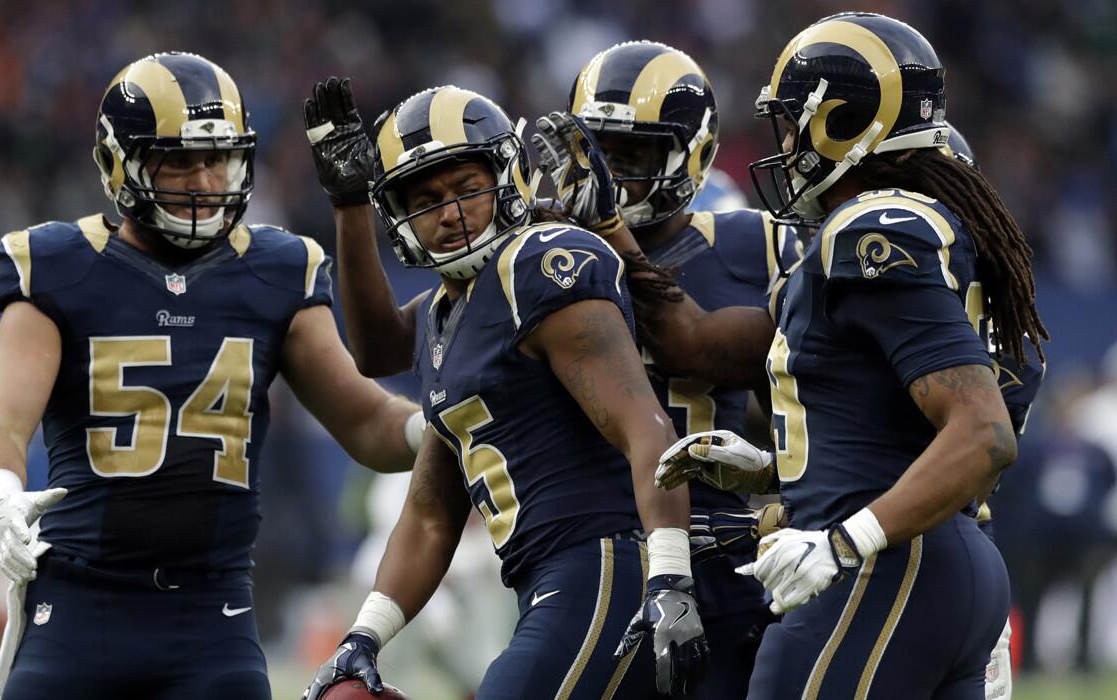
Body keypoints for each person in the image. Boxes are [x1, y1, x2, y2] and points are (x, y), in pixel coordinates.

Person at [0, 52, 424, 700]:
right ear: (117, 163)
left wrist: (435, 431)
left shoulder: (276, 269)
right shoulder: (58, 266)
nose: (204, 180)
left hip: (211, 616)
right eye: (178, 161)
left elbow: (366, 420)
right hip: (77, 604)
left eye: (218, 159)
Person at [657, 12, 1049, 699]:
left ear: (836, 119)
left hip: (886, 567)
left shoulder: (871, 231)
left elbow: (982, 432)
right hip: (949, 559)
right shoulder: (955, 246)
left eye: (790, 121)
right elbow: (895, 429)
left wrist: (842, 541)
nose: (782, 141)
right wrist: (774, 474)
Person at [300, 82, 708, 698]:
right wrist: (365, 635)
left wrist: (670, 578)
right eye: (428, 200)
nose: (453, 212)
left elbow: (644, 426)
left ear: (509, 178)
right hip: (543, 580)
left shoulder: (539, 262)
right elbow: (432, 512)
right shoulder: (445, 312)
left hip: (602, 562)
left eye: (468, 189)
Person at [544, 40, 799, 699]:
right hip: (589, 558)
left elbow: (711, 351)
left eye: (631, 157)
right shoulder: (539, 253)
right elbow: (398, 346)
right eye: (595, 155)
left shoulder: (757, 243)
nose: (610, 179)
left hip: (723, 556)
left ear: (697, 154)